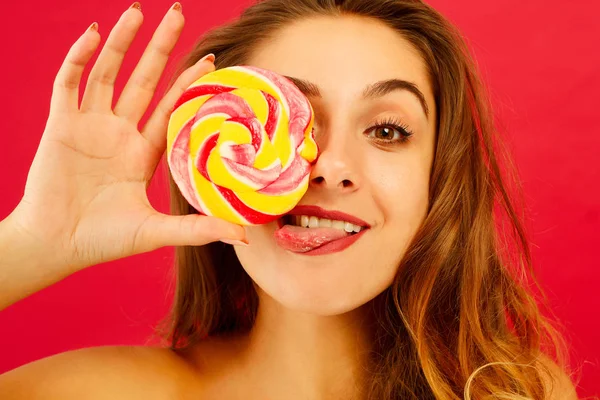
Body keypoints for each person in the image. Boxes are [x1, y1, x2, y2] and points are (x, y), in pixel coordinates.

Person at [0, 0, 582, 398]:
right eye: (286, 120)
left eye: (386, 130)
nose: (329, 165)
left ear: (439, 181)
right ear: (211, 157)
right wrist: (33, 242)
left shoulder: (514, 391)